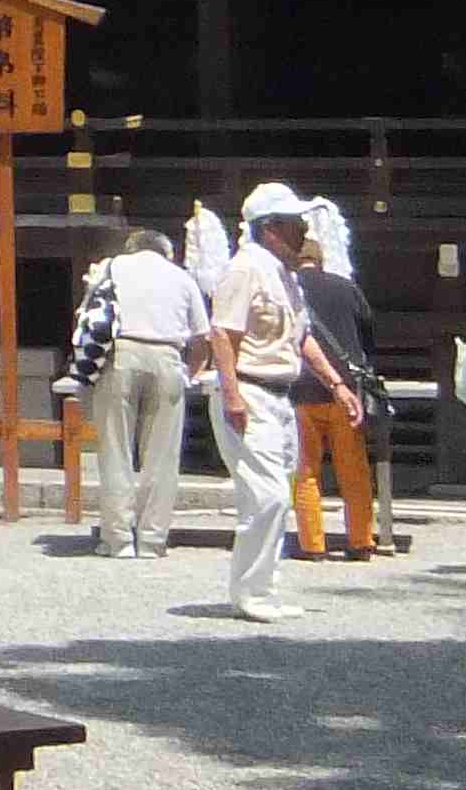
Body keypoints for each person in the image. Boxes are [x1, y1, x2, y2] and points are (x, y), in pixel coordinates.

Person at [205, 183, 358, 620]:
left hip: (279, 393)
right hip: (249, 389)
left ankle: (265, 588)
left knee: (278, 496)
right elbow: (223, 333)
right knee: (266, 496)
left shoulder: (284, 275)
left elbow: (301, 336)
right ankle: (248, 592)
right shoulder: (244, 269)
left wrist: (336, 383)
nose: (303, 231)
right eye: (294, 224)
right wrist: (232, 394)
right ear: (270, 228)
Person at [85, 224, 209, 559]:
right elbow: (202, 339)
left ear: (132, 247)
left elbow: (89, 317)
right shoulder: (182, 278)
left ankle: (118, 539)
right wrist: (190, 373)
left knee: (116, 450)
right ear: (167, 252)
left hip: (121, 354)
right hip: (168, 356)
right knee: (163, 456)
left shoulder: (111, 266)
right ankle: (153, 539)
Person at [289, 199, 395, 561]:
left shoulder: (288, 289)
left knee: (306, 470)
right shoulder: (345, 288)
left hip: (300, 389)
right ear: (321, 260)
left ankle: (312, 545)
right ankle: (361, 540)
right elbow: (368, 334)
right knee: (354, 469)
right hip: (344, 390)